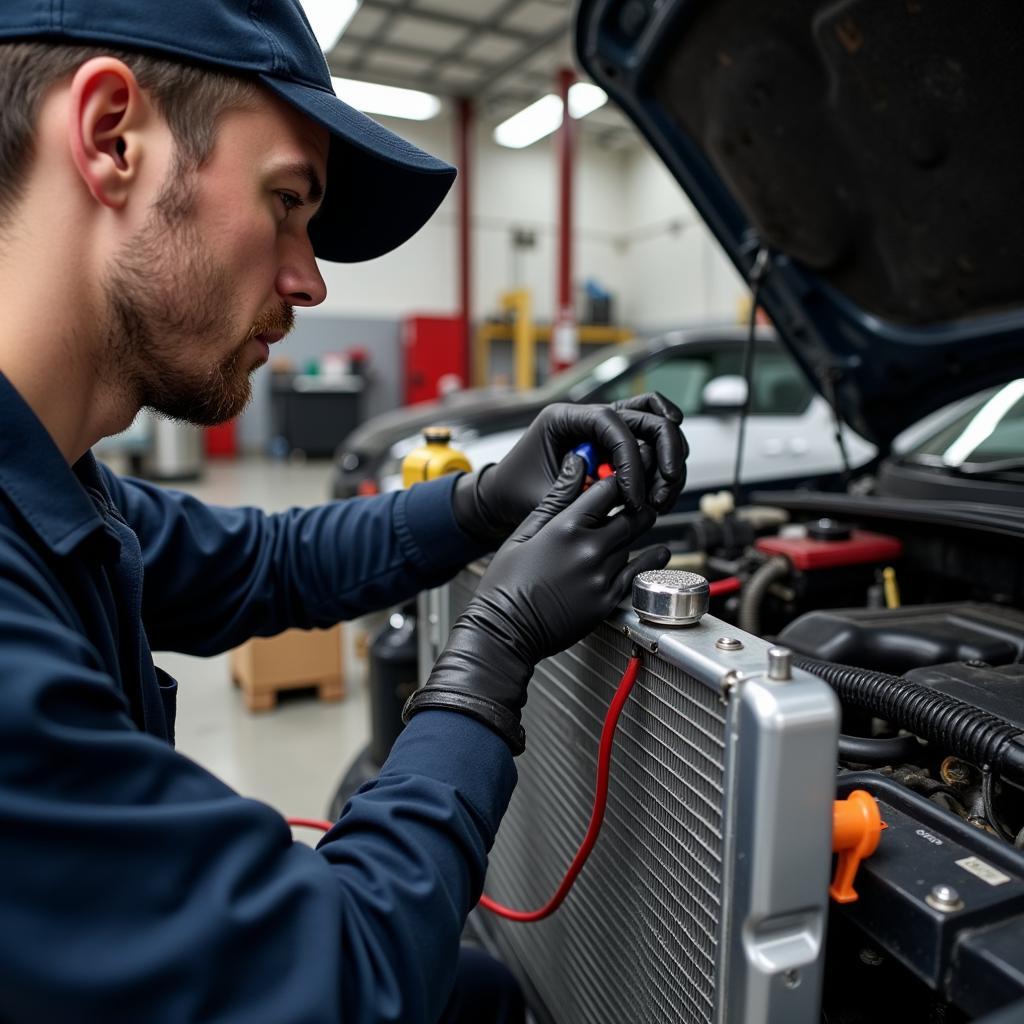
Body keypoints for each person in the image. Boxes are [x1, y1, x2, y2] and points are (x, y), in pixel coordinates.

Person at [0, 2, 687, 1021]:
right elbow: (337, 982)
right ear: (111, 137)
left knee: (478, 997)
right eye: (286, 201)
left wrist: (478, 500)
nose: (309, 279)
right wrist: (487, 657)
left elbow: (262, 562)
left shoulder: (58, 488)